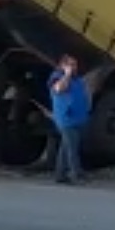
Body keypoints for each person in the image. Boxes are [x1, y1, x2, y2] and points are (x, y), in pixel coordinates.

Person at [48, 54, 90, 185]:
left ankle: (60, 175)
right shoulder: (57, 78)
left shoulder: (77, 80)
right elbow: (59, 89)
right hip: (66, 119)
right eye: (70, 64)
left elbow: (84, 95)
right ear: (63, 65)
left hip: (78, 118)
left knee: (65, 147)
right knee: (72, 148)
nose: (74, 67)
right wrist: (66, 74)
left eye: (75, 64)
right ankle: (76, 174)